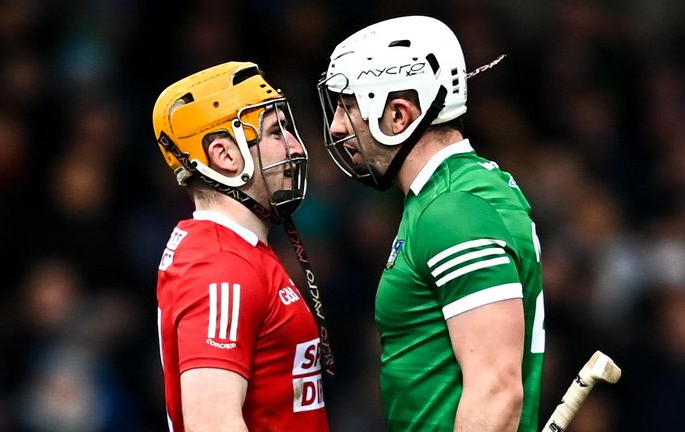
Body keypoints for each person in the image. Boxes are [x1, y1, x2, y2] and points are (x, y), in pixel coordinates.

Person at [317, 16, 545, 431]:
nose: (335, 125)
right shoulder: (453, 193)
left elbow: (497, 391)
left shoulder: (453, 211)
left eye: (348, 106)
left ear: (399, 115)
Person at [153, 61, 330, 432]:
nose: (295, 147)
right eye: (276, 133)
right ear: (225, 156)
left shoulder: (234, 250)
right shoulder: (221, 266)